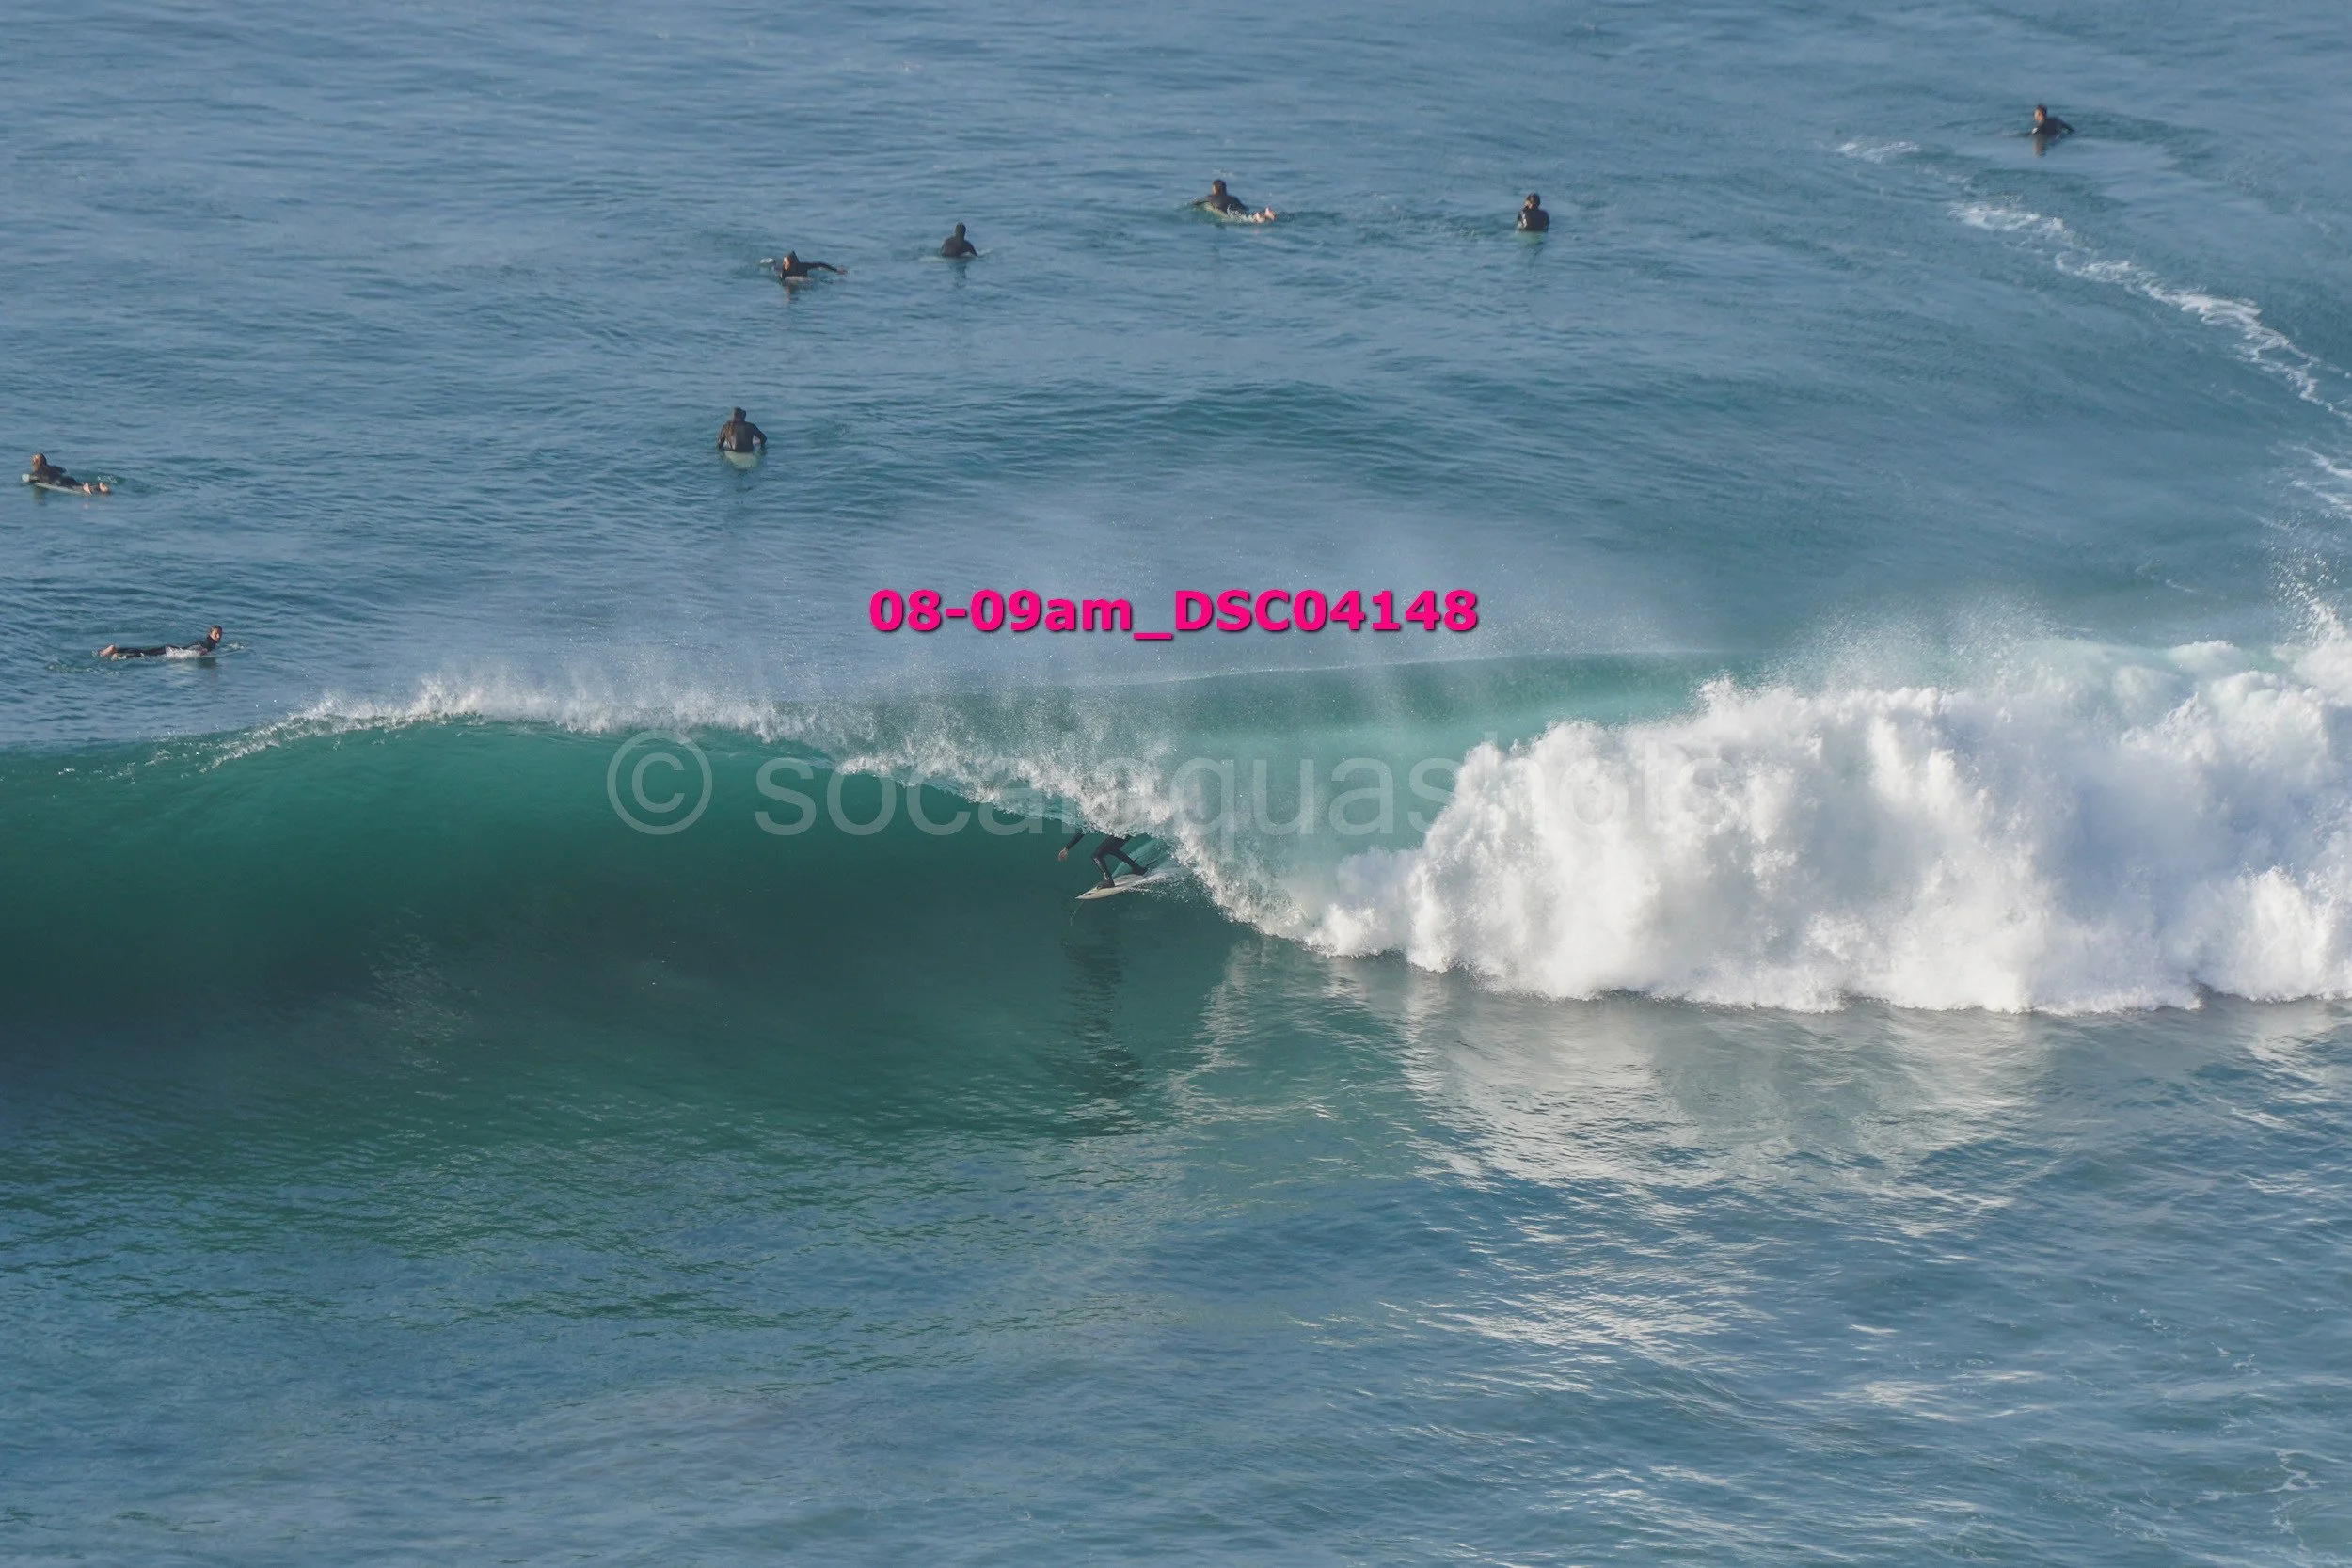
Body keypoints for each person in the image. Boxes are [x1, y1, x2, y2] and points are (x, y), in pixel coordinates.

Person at [1060, 829, 1149, 889]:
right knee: (1112, 850)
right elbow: (1084, 831)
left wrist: (1067, 848)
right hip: (1126, 832)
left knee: (1096, 855)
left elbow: (1083, 831)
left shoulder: (1095, 813)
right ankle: (1138, 869)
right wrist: (1067, 848)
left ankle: (1109, 881)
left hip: (1121, 832)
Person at [99, 625, 222, 660]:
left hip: (171, 648)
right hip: (173, 651)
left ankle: (117, 652)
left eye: (220, 634)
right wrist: (203, 652)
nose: (218, 636)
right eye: (216, 633)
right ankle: (118, 654)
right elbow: (205, 648)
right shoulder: (209, 643)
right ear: (209, 634)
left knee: (145, 652)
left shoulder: (209, 642)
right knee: (145, 654)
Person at [1191, 179, 1274, 222]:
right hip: (1240, 211)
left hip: (1229, 215)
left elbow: (1197, 202)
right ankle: (1264, 214)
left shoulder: (1210, 197)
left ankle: (1258, 217)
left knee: (1245, 219)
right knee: (1248, 215)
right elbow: (1245, 208)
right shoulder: (1233, 198)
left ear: (1215, 188)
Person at [25, 453, 107, 494]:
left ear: (34, 463)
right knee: (77, 483)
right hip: (67, 478)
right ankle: (99, 486)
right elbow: (63, 470)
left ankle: (84, 488)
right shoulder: (53, 467)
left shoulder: (36, 473)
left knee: (73, 487)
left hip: (57, 483)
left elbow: (31, 479)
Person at [771, 250, 845, 281]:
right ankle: (773, 262)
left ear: (791, 264)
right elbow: (781, 281)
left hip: (798, 269)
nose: (784, 264)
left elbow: (820, 264)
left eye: (785, 262)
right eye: (784, 262)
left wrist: (835, 270)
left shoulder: (802, 266)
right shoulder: (783, 271)